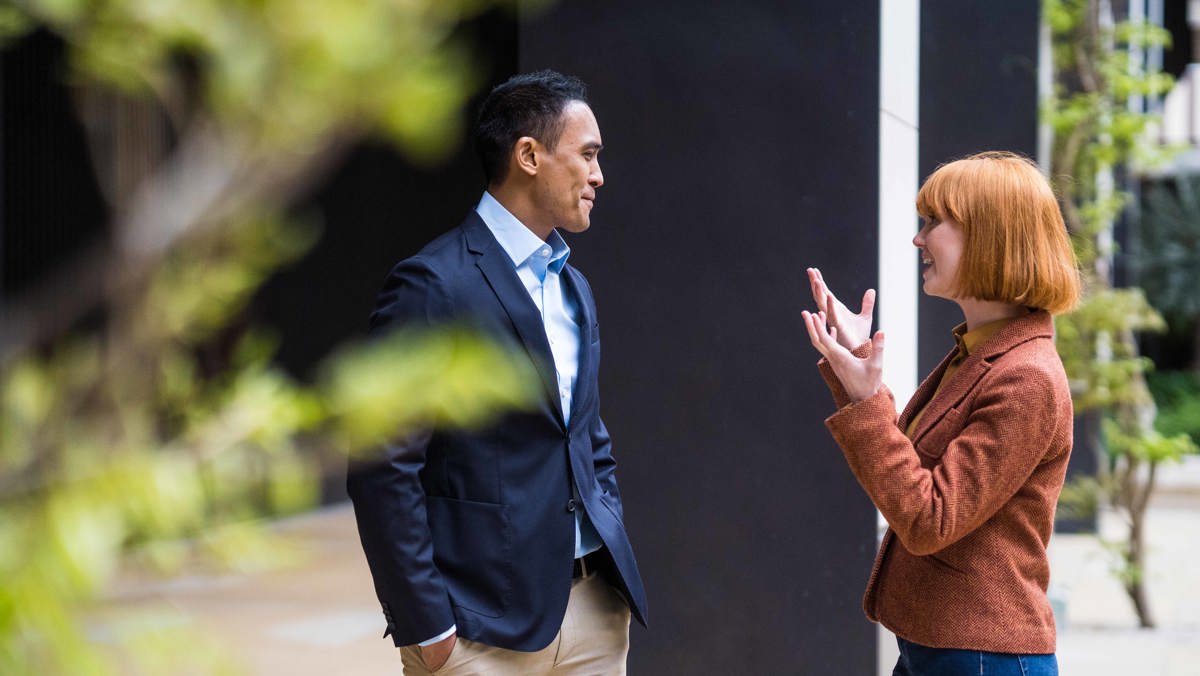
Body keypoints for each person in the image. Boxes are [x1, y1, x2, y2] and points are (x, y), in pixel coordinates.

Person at [347, 70, 647, 675]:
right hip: (480, 633)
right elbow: (383, 467)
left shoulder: (573, 284)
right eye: (587, 155)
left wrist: (607, 525)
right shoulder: (433, 284)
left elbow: (583, 435)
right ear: (529, 155)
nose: (599, 175)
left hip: (593, 613)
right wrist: (427, 625)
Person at [800, 151, 1080, 675]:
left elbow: (930, 517)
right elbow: (916, 474)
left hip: (981, 657)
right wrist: (860, 366)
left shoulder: (1027, 377)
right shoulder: (983, 353)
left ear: (991, 235)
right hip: (946, 648)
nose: (918, 239)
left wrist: (866, 399)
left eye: (934, 222)